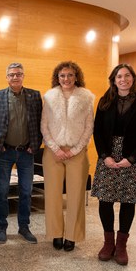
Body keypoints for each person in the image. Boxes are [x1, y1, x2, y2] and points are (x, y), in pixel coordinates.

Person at [91, 64, 136, 265]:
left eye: (127, 76)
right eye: (119, 76)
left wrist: (133, 158)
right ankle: (108, 243)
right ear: (114, 79)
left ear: (133, 79)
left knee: (128, 201)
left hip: (133, 157)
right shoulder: (105, 101)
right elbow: (97, 131)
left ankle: (121, 246)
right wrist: (104, 156)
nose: (123, 79)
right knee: (105, 200)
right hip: (108, 156)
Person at [41, 61, 95, 252]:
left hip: (77, 152)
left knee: (76, 195)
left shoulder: (86, 98)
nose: (66, 79)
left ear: (76, 76)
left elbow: (89, 127)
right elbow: (44, 125)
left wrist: (75, 150)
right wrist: (55, 148)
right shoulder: (48, 97)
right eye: (62, 75)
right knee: (53, 195)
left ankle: (71, 236)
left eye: (70, 75)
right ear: (57, 77)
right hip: (52, 151)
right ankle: (56, 233)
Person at [0, 62, 43, 244]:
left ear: (23, 76)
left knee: (26, 191)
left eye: (18, 74)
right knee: (1, 191)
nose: (15, 77)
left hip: (26, 152)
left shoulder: (34, 96)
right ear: (7, 77)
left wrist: (35, 146)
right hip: (5, 152)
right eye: (11, 74)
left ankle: (24, 227)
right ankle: (2, 226)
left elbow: (40, 122)